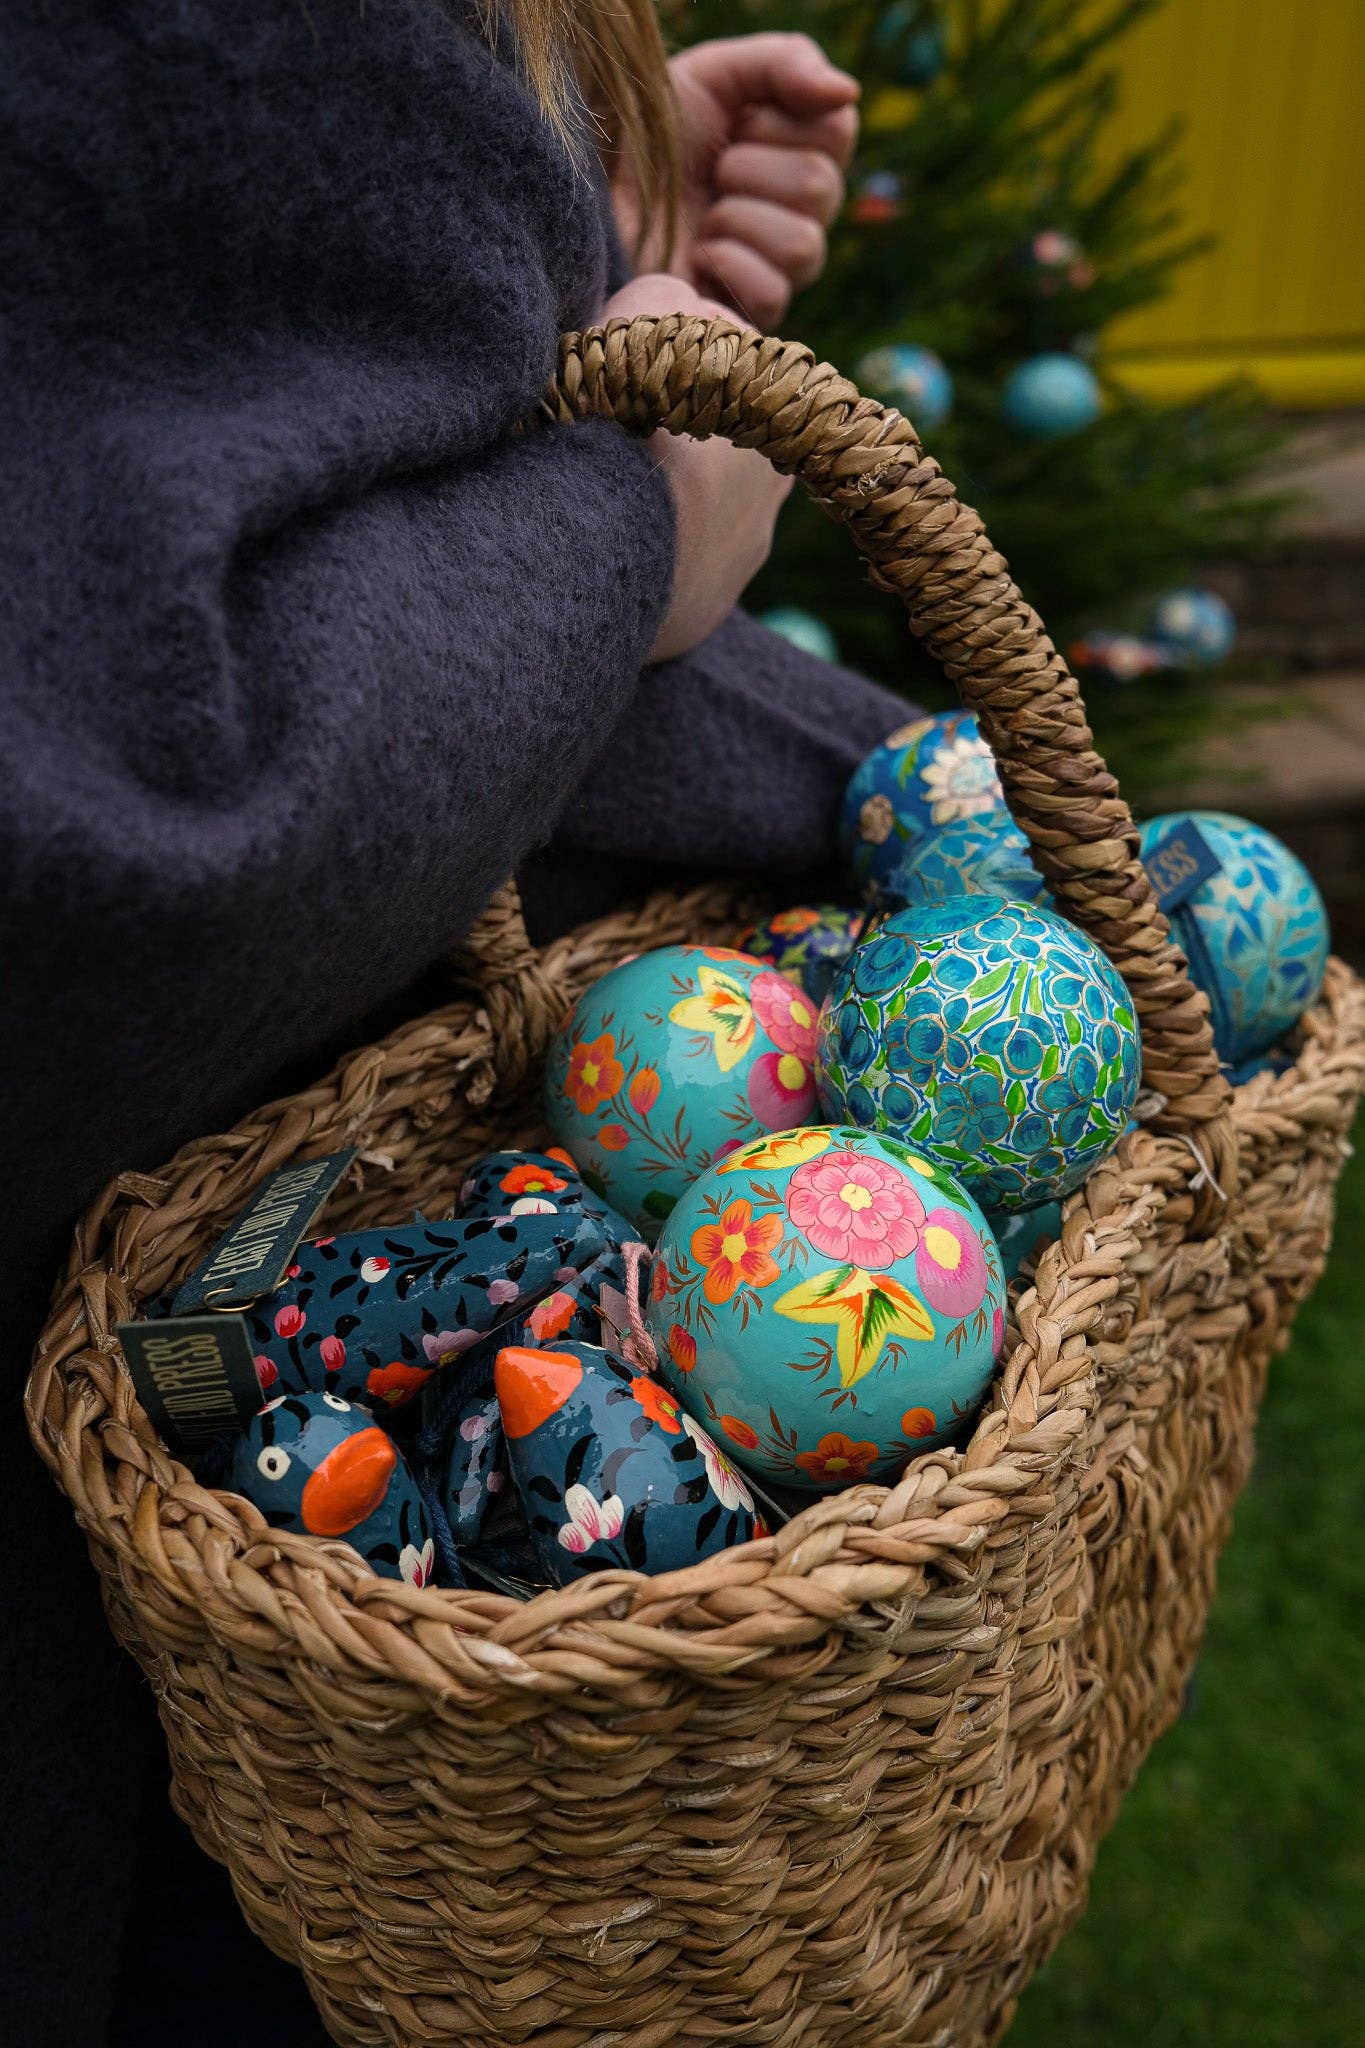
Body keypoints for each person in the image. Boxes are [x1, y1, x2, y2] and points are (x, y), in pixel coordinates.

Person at [0, 3, 910, 2039]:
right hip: (169, 1663)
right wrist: (636, 530)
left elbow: (116, 335)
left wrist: (529, 213)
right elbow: (99, 839)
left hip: (286, 1596)